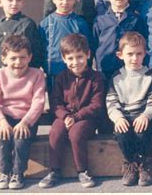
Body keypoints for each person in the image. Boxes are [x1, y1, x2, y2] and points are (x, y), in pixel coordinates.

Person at [38, 34, 104, 189]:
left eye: (80, 57)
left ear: (88, 54)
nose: (76, 62)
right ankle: (55, 170)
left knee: (76, 133)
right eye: (71, 58)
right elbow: (55, 102)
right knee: (55, 132)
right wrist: (66, 116)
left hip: (87, 118)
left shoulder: (96, 78)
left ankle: (82, 170)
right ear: (64, 58)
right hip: (65, 116)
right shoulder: (61, 78)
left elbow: (97, 105)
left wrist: (76, 117)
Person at [0, 35, 45, 190]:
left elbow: (38, 102)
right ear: (4, 58)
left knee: (20, 138)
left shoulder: (37, 75)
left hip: (26, 118)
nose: (18, 62)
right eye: (13, 58)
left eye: (22, 57)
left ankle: (18, 173)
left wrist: (25, 122)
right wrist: (2, 122)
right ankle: (4, 172)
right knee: (2, 137)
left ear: (30, 57)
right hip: (5, 117)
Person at [106, 32, 152, 187]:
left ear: (145, 54)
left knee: (141, 131)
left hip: (145, 116)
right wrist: (118, 118)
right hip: (124, 116)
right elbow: (111, 102)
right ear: (120, 55)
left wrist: (146, 115)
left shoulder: (151, 75)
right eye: (129, 54)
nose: (134, 58)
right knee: (122, 132)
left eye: (139, 54)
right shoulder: (116, 77)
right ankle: (130, 163)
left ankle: (146, 162)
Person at [39, 0, 92, 92]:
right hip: (54, 71)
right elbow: (41, 48)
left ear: (76, 0)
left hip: (76, 71)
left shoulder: (80, 23)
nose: (65, 2)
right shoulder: (46, 23)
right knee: (56, 104)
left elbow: (88, 48)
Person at [93, 0, 146, 80]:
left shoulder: (136, 18)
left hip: (128, 70)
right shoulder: (100, 19)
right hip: (105, 69)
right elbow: (94, 44)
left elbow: (142, 42)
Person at [0, 0, 43, 74]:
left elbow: (35, 53)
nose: (14, 3)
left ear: (23, 2)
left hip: (23, 75)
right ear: (0, 2)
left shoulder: (27, 25)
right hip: (2, 76)